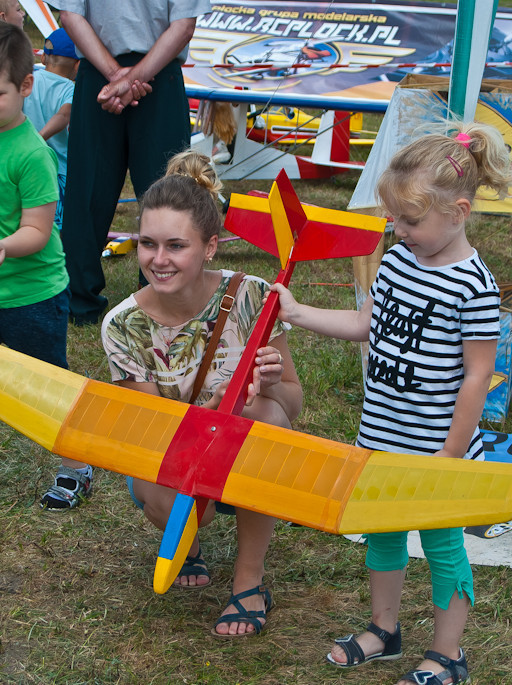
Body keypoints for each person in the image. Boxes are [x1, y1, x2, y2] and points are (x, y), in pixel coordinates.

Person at [269, 123, 510, 683]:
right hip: (381, 437)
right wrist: (298, 312)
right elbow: (367, 323)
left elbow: (478, 376)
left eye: (410, 220)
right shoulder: (399, 261)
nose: (397, 231)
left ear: (458, 210)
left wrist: (451, 455)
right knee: (382, 533)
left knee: (443, 544)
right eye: (393, 219)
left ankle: (449, 655)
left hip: (436, 451)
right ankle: (385, 630)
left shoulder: (473, 286)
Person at [101, 150, 303, 637]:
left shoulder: (253, 293)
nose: (158, 259)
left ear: (210, 247)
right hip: (172, 454)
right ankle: (188, 541)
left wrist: (271, 385)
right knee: (176, 507)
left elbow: (293, 404)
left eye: (176, 245)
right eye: (147, 244)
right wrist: (210, 414)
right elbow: (153, 430)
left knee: (268, 421)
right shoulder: (122, 324)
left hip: (244, 448)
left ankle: (248, 581)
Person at [47, 0, 212, 325]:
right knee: (93, 192)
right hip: (124, 75)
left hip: (133, 76)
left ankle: (148, 293)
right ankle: (86, 298)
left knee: (168, 193)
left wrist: (120, 78)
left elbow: (183, 26)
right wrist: (124, 78)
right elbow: (70, 14)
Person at [0, 23, 91, 510]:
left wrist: (3, 247)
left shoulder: (32, 153)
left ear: (25, 87)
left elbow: (36, 232)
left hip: (31, 296)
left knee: (46, 386)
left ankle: (76, 467)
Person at [23, 28, 79, 229]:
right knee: (56, 226)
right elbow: (63, 116)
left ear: (45, 57)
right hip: (57, 169)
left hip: (26, 162)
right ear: (78, 64)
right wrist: (41, 137)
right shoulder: (71, 89)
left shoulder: (30, 80)